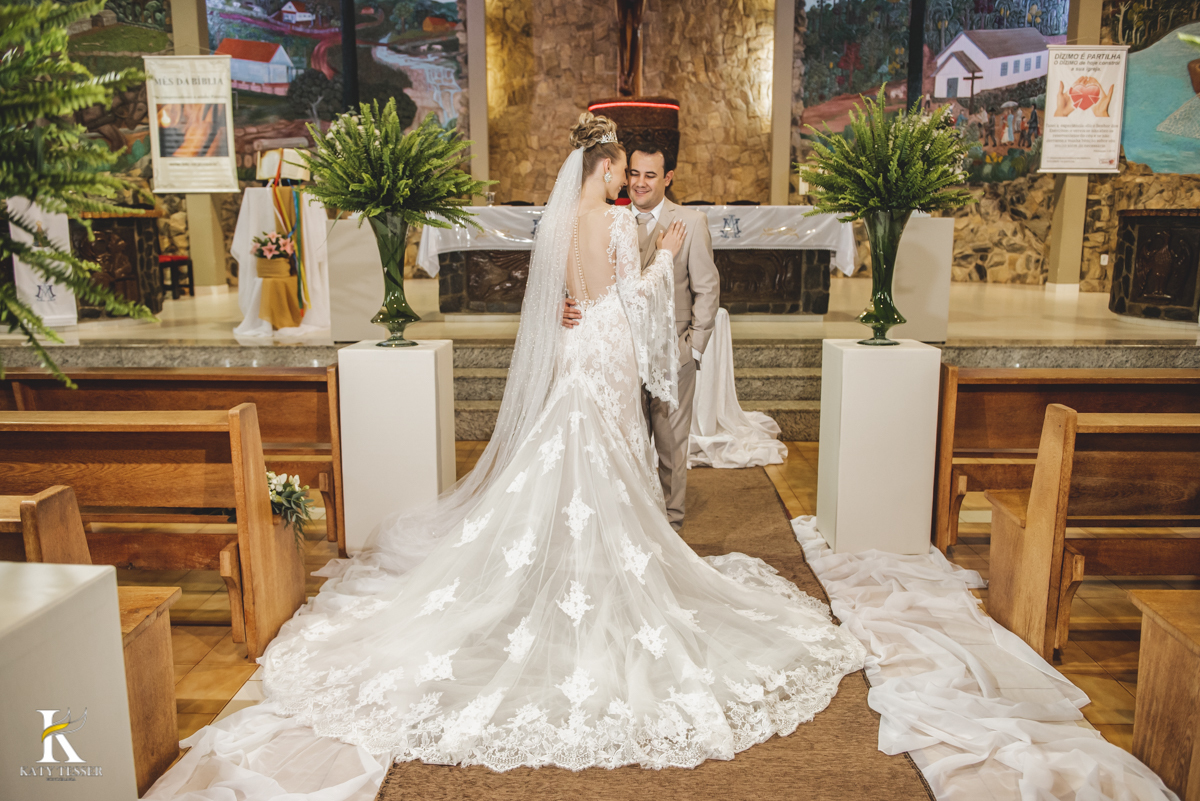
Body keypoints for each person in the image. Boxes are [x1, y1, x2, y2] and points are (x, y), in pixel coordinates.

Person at [151, 114, 864, 794]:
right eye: (619, 169)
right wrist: (667, 258)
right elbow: (635, 297)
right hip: (610, 345)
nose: (624, 183)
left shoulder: (555, 224)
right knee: (611, 450)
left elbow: (561, 300)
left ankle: (565, 565)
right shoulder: (619, 222)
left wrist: (581, 308)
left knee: (573, 447)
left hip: (577, 349)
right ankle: (602, 568)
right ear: (606, 165)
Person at [561, 141, 720, 531]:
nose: (640, 183)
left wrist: (693, 349)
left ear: (667, 178)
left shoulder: (691, 222)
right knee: (618, 445)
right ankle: (632, 526)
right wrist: (562, 305)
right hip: (617, 353)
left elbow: (707, 289)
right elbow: (590, 284)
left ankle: (671, 526)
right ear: (621, 172)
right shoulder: (610, 217)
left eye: (650, 175)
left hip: (672, 355)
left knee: (670, 447)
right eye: (633, 173)